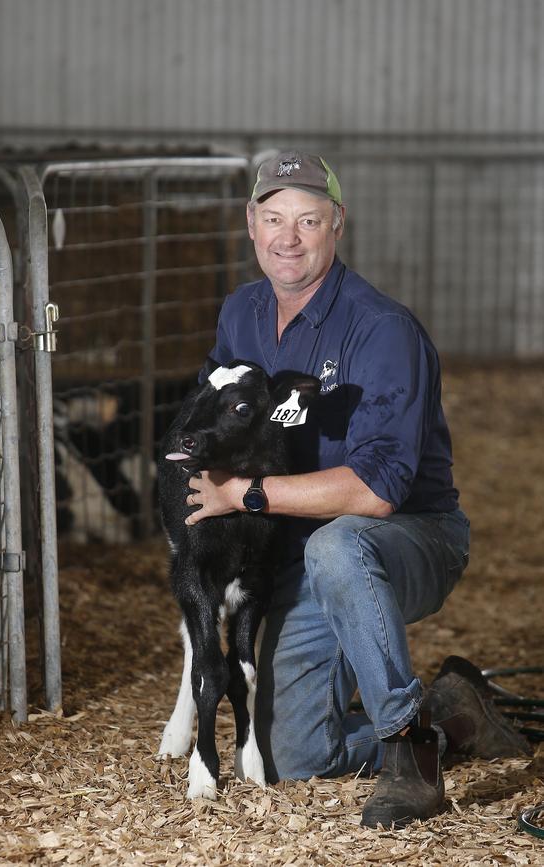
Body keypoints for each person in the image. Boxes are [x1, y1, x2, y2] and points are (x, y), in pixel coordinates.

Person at [183, 150, 531, 828]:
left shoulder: (382, 330)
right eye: (274, 218)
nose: (289, 237)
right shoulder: (240, 315)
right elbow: (209, 429)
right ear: (251, 225)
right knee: (290, 754)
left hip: (409, 536)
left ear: (337, 224)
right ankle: (450, 717)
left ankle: (406, 751)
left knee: (339, 546)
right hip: (296, 551)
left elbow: (376, 493)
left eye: (308, 220)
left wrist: (245, 495)